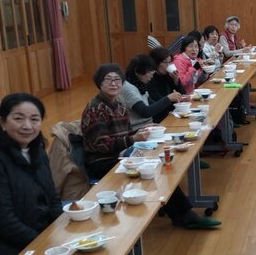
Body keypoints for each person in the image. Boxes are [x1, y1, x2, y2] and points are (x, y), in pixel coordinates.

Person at [82, 63, 218, 229]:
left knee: (159, 164)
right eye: (108, 80)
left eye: (117, 80)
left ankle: (181, 214)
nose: (113, 83)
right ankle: (184, 215)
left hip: (121, 154)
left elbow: (124, 133)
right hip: (101, 161)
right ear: (99, 83)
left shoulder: (118, 104)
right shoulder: (95, 108)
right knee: (154, 170)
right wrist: (133, 139)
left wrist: (141, 130)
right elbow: (100, 144)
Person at [0, 93, 63, 255]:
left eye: (34, 119)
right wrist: (41, 243)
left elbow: (53, 198)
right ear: (2, 123)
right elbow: (1, 220)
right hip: (7, 247)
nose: (27, 126)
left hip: (41, 236)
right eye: (18, 119)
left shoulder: (38, 152)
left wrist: (63, 228)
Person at [121, 54, 176, 129]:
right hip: (138, 130)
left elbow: (153, 104)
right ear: (137, 72)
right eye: (150, 72)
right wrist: (168, 98)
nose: (152, 76)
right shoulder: (128, 88)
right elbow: (145, 112)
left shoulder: (139, 84)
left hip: (149, 126)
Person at [145, 47, 190, 123]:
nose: (168, 65)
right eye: (165, 62)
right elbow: (157, 102)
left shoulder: (168, 75)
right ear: (155, 63)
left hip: (173, 114)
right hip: (159, 119)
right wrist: (173, 99)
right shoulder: (150, 79)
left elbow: (183, 93)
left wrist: (176, 80)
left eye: (170, 62)